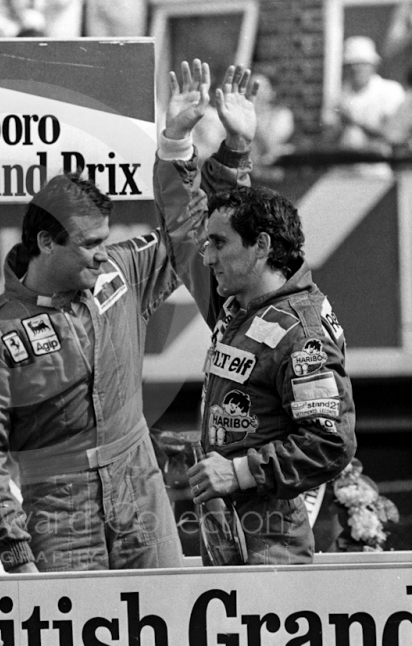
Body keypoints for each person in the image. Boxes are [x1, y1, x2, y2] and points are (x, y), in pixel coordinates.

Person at [153, 59, 357, 564]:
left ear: (262, 247)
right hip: (229, 539)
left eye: (219, 246)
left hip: (273, 550)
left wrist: (238, 469)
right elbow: (195, 224)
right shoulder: (239, 304)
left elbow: (330, 444)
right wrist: (191, 144)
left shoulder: (301, 331)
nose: (207, 255)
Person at [0, 171, 185, 571]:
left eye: (105, 241)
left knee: (173, 620)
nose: (102, 253)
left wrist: (200, 148)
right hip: (59, 508)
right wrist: (13, 549)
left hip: (139, 483)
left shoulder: (120, 270)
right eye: (90, 243)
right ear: (45, 242)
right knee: (77, 632)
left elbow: (191, 233)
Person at [331, 35, 404, 155]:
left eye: (362, 64)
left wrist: (355, 121)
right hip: (345, 164)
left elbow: (394, 135)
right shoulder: (340, 95)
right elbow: (330, 138)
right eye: (351, 64)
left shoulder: (389, 91)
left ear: (373, 66)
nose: (356, 69)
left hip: (378, 164)